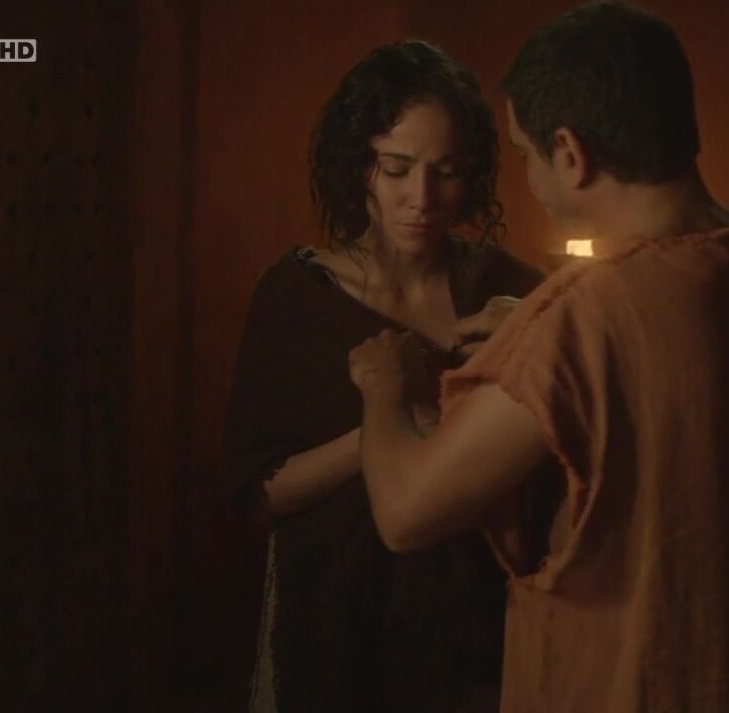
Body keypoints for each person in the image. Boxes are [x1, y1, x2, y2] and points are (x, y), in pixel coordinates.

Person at [349, 3, 729, 712]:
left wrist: (383, 384)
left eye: (525, 153)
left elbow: (405, 510)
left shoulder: (580, 318)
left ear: (569, 154)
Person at [224, 40, 550, 712]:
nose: (421, 199)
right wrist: (394, 425)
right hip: (336, 628)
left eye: (445, 172)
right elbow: (262, 491)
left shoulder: (509, 290)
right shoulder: (299, 297)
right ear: (358, 166)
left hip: (479, 636)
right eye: (396, 168)